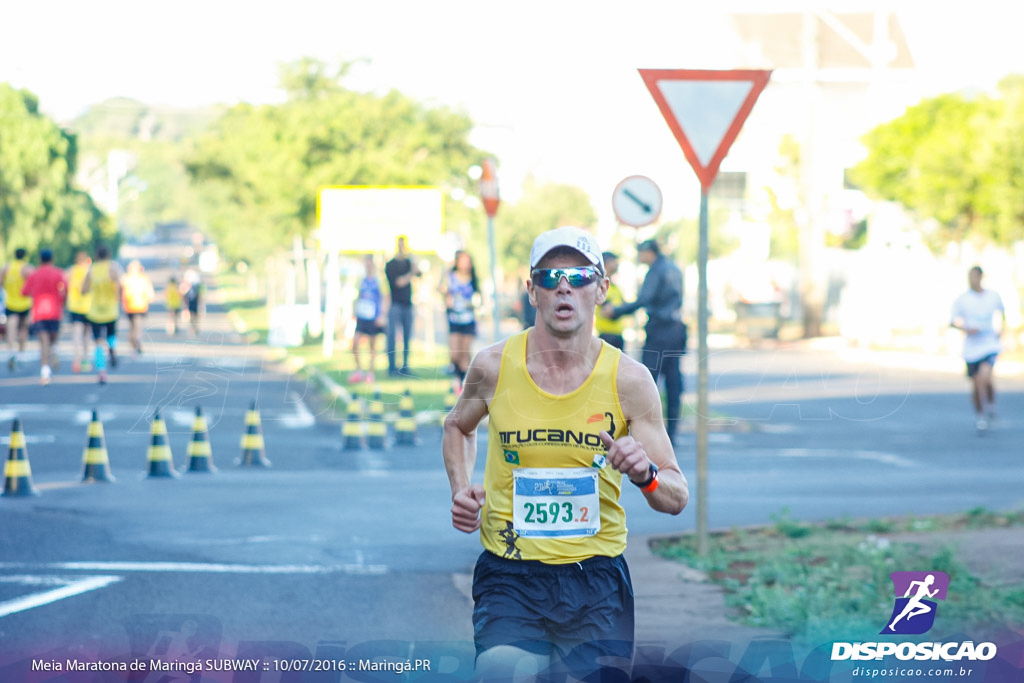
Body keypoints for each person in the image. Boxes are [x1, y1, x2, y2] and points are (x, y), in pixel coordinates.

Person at [443, 226, 688, 680]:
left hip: (596, 579)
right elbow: (457, 426)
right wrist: (461, 490)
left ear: (601, 289)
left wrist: (646, 474)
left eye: (579, 276)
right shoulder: (493, 366)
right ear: (532, 290)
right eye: (551, 275)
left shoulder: (629, 380)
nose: (564, 285)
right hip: (510, 573)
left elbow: (675, 494)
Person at [603, 239, 687, 445]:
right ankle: (672, 433)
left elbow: (644, 299)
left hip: (659, 331)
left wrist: (616, 311)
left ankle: (650, 433)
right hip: (676, 330)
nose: (639, 257)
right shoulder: (674, 268)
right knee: (673, 381)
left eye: (641, 253)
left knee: (647, 381)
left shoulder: (656, 270)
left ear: (649, 253)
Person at [950, 265, 1005, 432]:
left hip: (989, 344)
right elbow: (952, 321)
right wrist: (966, 329)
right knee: (977, 383)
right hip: (972, 348)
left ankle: (990, 407)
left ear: (981, 277)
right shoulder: (962, 299)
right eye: (970, 277)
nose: (972, 280)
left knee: (984, 378)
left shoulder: (993, 296)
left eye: (975, 276)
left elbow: (1002, 314)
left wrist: (1002, 333)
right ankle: (981, 415)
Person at [21, 248, 67, 384]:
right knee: (52, 340)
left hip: (39, 312)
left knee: (43, 343)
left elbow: (24, 292)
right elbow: (65, 288)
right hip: (55, 312)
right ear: (52, 259)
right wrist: (62, 301)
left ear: (40, 259)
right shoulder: (58, 273)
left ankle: (45, 370)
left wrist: (34, 293)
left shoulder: (34, 274)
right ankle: (54, 351)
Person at [81, 245, 124, 385]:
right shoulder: (113, 268)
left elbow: (84, 290)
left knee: (98, 342)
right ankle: (112, 349)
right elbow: (121, 285)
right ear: (109, 255)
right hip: (111, 310)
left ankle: (102, 372)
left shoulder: (92, 270)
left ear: (96, 255)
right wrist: (118, 298)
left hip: (95, 312)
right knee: (112, 335)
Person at [441, 250, 479, 393]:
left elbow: (477, 297)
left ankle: (464, 384)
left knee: (465, 353)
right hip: (454, 319)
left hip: (468, 319)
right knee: (455, 354)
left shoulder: (473, 279)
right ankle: (459, 377)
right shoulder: (450, 277)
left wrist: (473, 304)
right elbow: (443, 291)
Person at [384, 235, 420, 376]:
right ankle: (392, 367)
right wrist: (411, 273)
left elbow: (418, 273)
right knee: (392, 336)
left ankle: (405, 366)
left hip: (407, 304)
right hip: (395, 304)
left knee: (407, 336)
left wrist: (413, 261)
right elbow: (399, 282)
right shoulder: (391, 265)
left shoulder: (409, 263)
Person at [349, 254, 386, 384]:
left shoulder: (379, 280)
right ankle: (358, 370)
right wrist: (354, 311)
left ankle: (370, 372)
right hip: (362, 316)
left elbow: (384, 298)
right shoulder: (362, 280)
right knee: (355, 344)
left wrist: (381, 315)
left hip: (373, 317)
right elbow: (358, 296)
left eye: (369, 263)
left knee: (372, 346)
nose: (368, 266)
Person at [2, 248, 34, 370]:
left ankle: (11, 351)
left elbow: (0, 283)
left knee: (11, 328)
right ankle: (21, 353)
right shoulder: (27, 268)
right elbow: (32, 284)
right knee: (23, 329)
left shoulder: (6, 268)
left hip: (10, 302)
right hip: (24, 303)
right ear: (25, 256)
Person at [66, 251, 93, 373]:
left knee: (77, 335)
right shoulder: (90, 271)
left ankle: (77, 361)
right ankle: (86, 360)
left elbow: (64, 286)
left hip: (74, 306)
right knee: (87, 335)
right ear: (87, 260)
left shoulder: (71, 271)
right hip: (88, 307)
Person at [122, 260, 156, 354]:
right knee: (138, 327)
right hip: (140, 306)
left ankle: (134, 344)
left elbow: (121, 292)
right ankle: (137, 341)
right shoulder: (143, 278)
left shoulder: (126, 278)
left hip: (130, 307)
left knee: (132, 327)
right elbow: (150, 293)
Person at [594, 251, 626, 350]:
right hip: (607, 336)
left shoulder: (616, 288)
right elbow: (610, 312)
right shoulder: (600, 287)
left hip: (618, 336)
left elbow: (624, 308)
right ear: (606, 263)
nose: (617, 264)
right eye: (614, 261)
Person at [181, 268, 203, 335]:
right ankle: (194, 327)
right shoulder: (194, 286)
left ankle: (194, 327)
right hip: (192, 303)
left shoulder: (193, 287)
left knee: (193, 316)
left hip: (192, 303)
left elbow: (184, 295)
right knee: (194, 316)